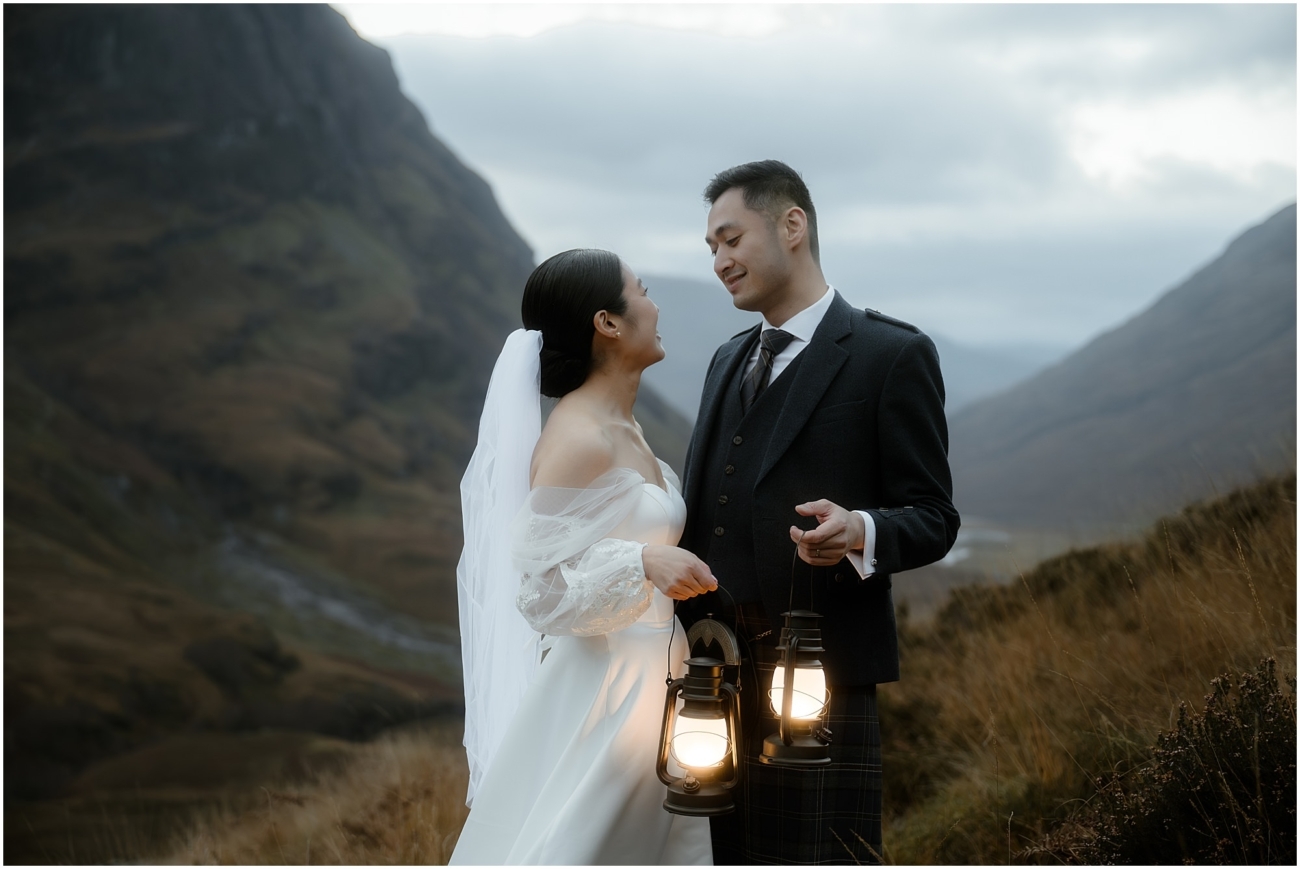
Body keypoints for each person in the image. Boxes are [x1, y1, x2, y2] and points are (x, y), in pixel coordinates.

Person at [678, 160, 960, 864]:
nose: (720, 261)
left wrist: (861, 529)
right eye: (710, 248)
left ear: (793, 225)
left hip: (818, 678)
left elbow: (933, 515)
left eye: (730, 238)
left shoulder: (890, 354)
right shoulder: (725, 359)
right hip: (711, 676)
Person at [451, 248, 719, 865]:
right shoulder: (578, 439)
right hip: (605, 691)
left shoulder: (625, 428)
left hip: (659, 679)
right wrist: (642, 565)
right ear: (609, 323)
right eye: (643, 290)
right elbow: (537, 593)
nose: (655, 305)